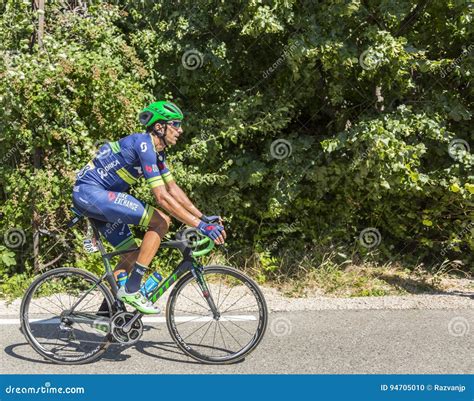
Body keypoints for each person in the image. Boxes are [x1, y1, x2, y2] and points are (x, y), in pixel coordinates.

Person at [72, 101, 226, 314]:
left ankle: (106, 316)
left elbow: (172, 189)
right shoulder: (144, 144)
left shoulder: (157, 152)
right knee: (161, 221)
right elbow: (162, 198)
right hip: (91, 193)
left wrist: (203, 217)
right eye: (175, 124)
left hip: (96, 198)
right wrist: (200, 226)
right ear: (159, 127)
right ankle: (133, 289)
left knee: (132, 254)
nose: (180, 130)